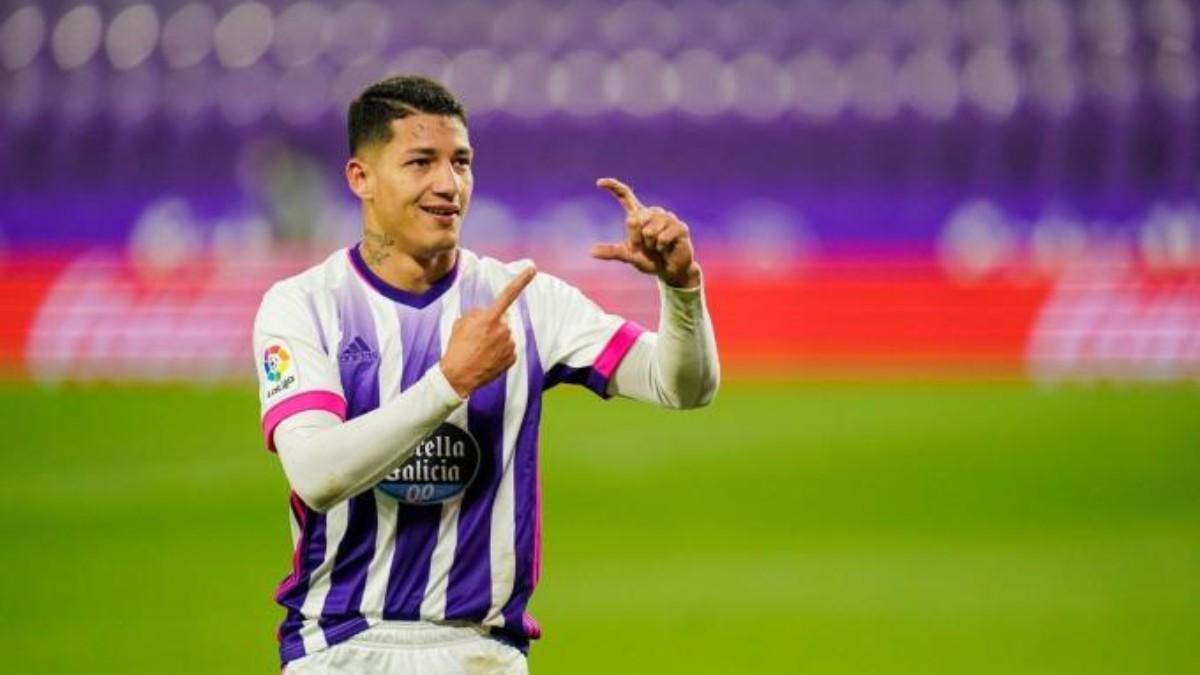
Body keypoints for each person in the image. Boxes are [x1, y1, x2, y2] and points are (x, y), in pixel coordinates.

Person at [252, 75, 719, 674]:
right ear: (360, 178)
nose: (448, 185)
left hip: (481, 653)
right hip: (340, 650)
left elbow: (682, 386)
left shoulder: (526, 298)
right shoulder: (304, 304)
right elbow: (315, 473)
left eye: (461, 163)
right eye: (421, 162)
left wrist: (681, 289)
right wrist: (450, 383)